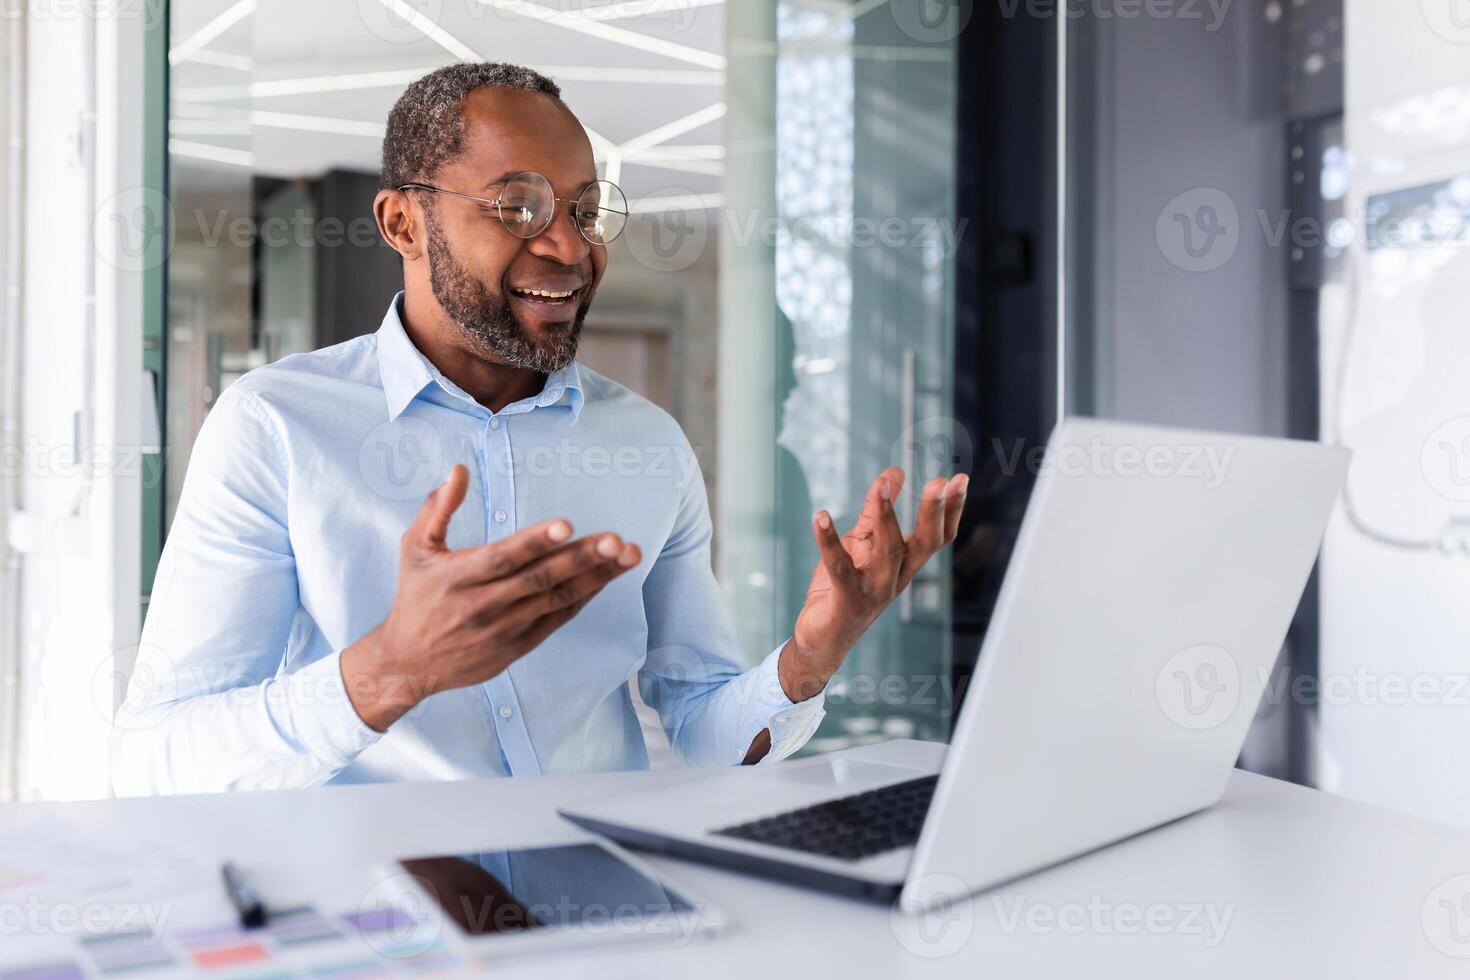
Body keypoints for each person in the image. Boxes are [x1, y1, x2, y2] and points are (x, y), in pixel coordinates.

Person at [109, 63, 967, 795]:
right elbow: (154, 761)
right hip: (377, 922)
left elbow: (705, 734)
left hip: (602, 908)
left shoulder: (648, 445)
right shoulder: (277, 426)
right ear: (403, 223)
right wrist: (390, 670)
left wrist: (810, 656)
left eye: (584, 211)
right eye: (517, 207)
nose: (568, 245)